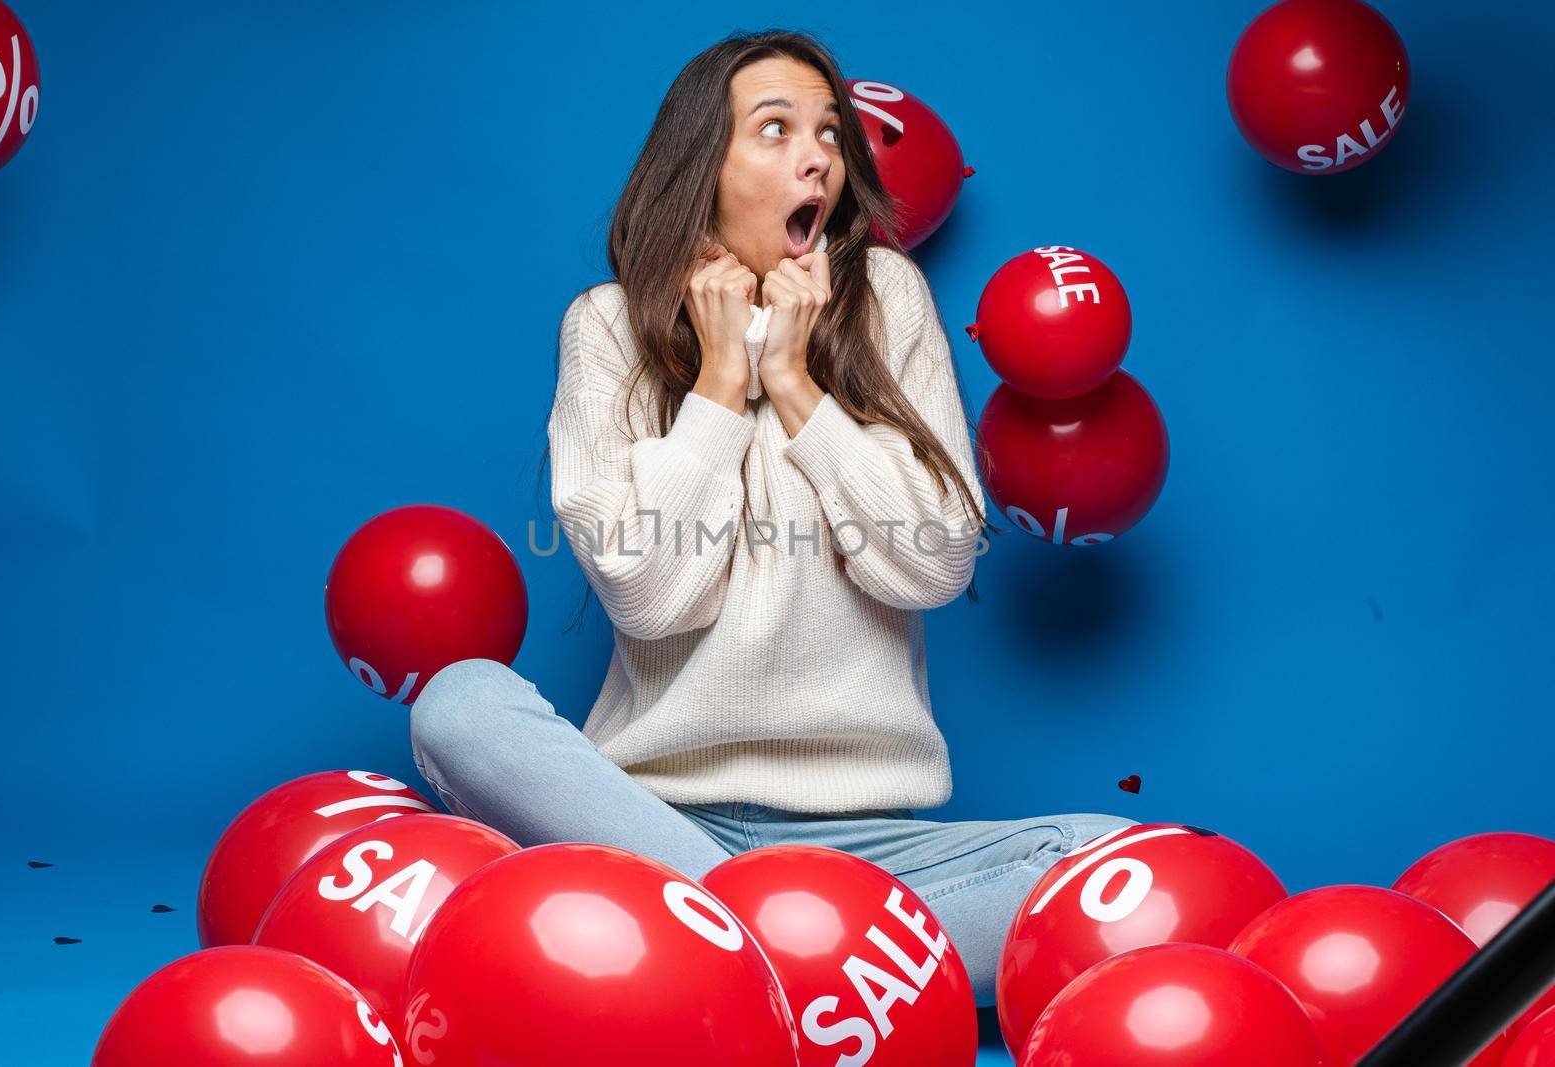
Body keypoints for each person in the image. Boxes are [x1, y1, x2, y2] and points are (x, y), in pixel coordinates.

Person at [409, 28, 1134, 1007]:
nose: (817, 155)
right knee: (458, 703)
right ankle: (798, 963)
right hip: (640, 818)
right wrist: (718, 380)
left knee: (1108, 861)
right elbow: (652, 595)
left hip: (866, 852)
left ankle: (721, 957)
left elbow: (932, 566)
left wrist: (795, 383)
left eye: (830, 133)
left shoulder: (887, 300)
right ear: (703, 163)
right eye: (777, 128)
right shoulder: (607, 325)